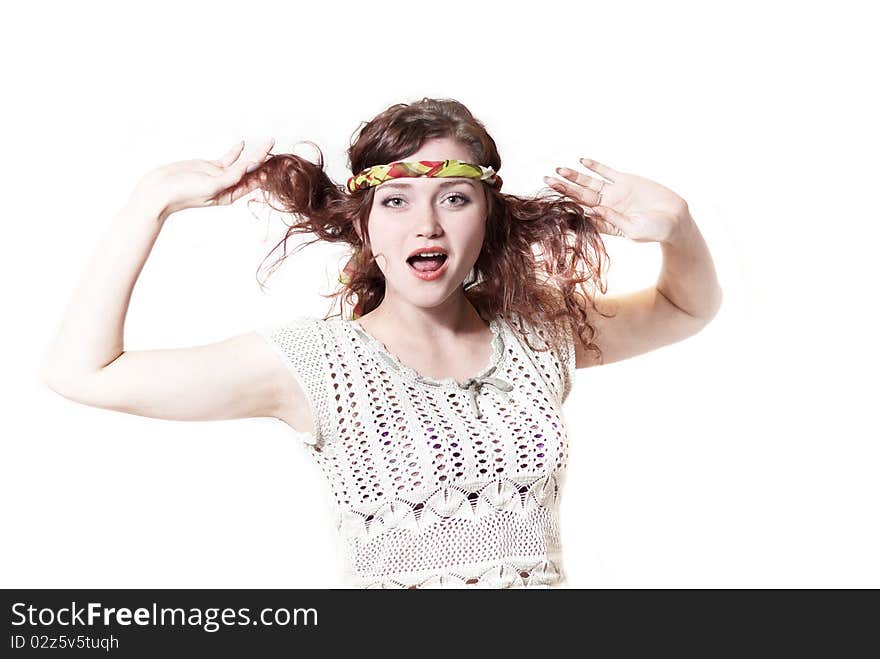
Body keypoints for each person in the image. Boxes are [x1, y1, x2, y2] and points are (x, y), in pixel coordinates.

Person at [41, 97, 722, 588]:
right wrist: (149, 203)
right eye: (396, 201)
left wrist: (679, 226)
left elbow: (685, 307)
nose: (426, 224)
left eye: (454, 198)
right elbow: (83, 371)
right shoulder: (317, 364)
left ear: (487, 216)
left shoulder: (535, 332)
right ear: (365, 225)